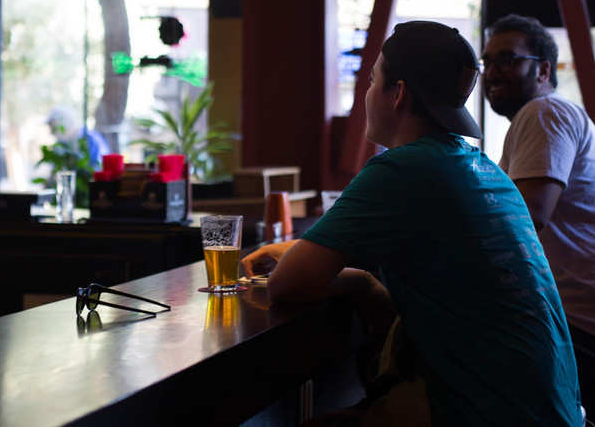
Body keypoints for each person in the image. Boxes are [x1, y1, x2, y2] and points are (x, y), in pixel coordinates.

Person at [242, 21, 582, 426]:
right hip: (555, 413)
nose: (366, 94)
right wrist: (362, 281)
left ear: (398, 93)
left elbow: (286, 284)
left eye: (371, 81)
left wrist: (344, 274)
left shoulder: (403, 167)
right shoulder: (484, 170)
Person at [483, 13, 595, 417]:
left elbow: (526, 217)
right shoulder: (541, 118)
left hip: (574, 322)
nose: (493, 71)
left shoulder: (543, 113)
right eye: (488, 61)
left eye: (508, 60)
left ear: (544, 69)